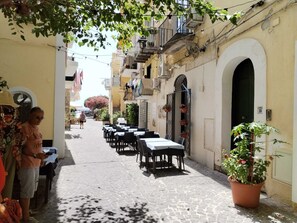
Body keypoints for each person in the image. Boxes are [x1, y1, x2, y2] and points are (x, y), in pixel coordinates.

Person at [18, 107, 47, 223]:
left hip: (35, 164)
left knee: (31, 191)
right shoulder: (24, 128)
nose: (39, 120)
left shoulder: (36, 128)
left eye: (41, 118)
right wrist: (36, 156)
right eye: (37, 117)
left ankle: (26, 211)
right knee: (26, 192)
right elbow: (21, 149)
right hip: (27, 165)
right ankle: (25, 219)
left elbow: (37, 147)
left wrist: (41, 157)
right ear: (30, 115)